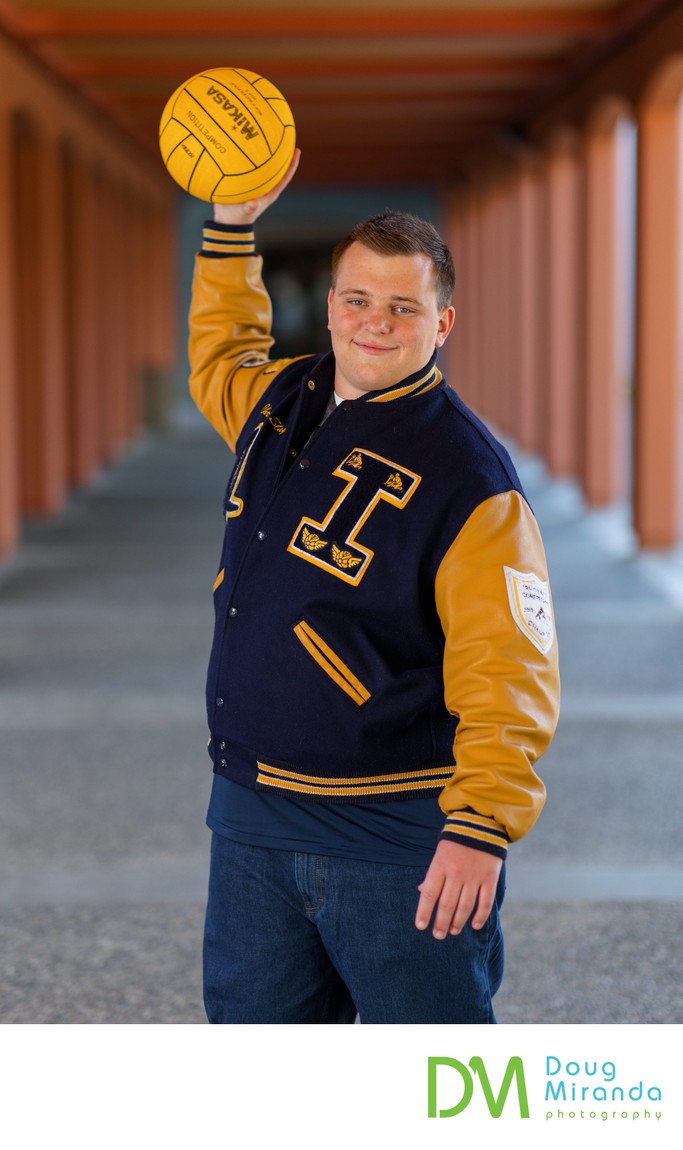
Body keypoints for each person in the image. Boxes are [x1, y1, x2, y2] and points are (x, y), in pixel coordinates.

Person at [188, 150, 560, 1024]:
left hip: (396, 840)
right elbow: (220, 353)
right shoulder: (279, 400)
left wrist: (481, 828)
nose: (374, 323)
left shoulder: (474, 481)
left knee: (427, 1092)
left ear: (443, 322)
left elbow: (509, 668)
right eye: (357, 299)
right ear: (329, 306)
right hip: (248, 819)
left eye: (403, 307)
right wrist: (231, 228)